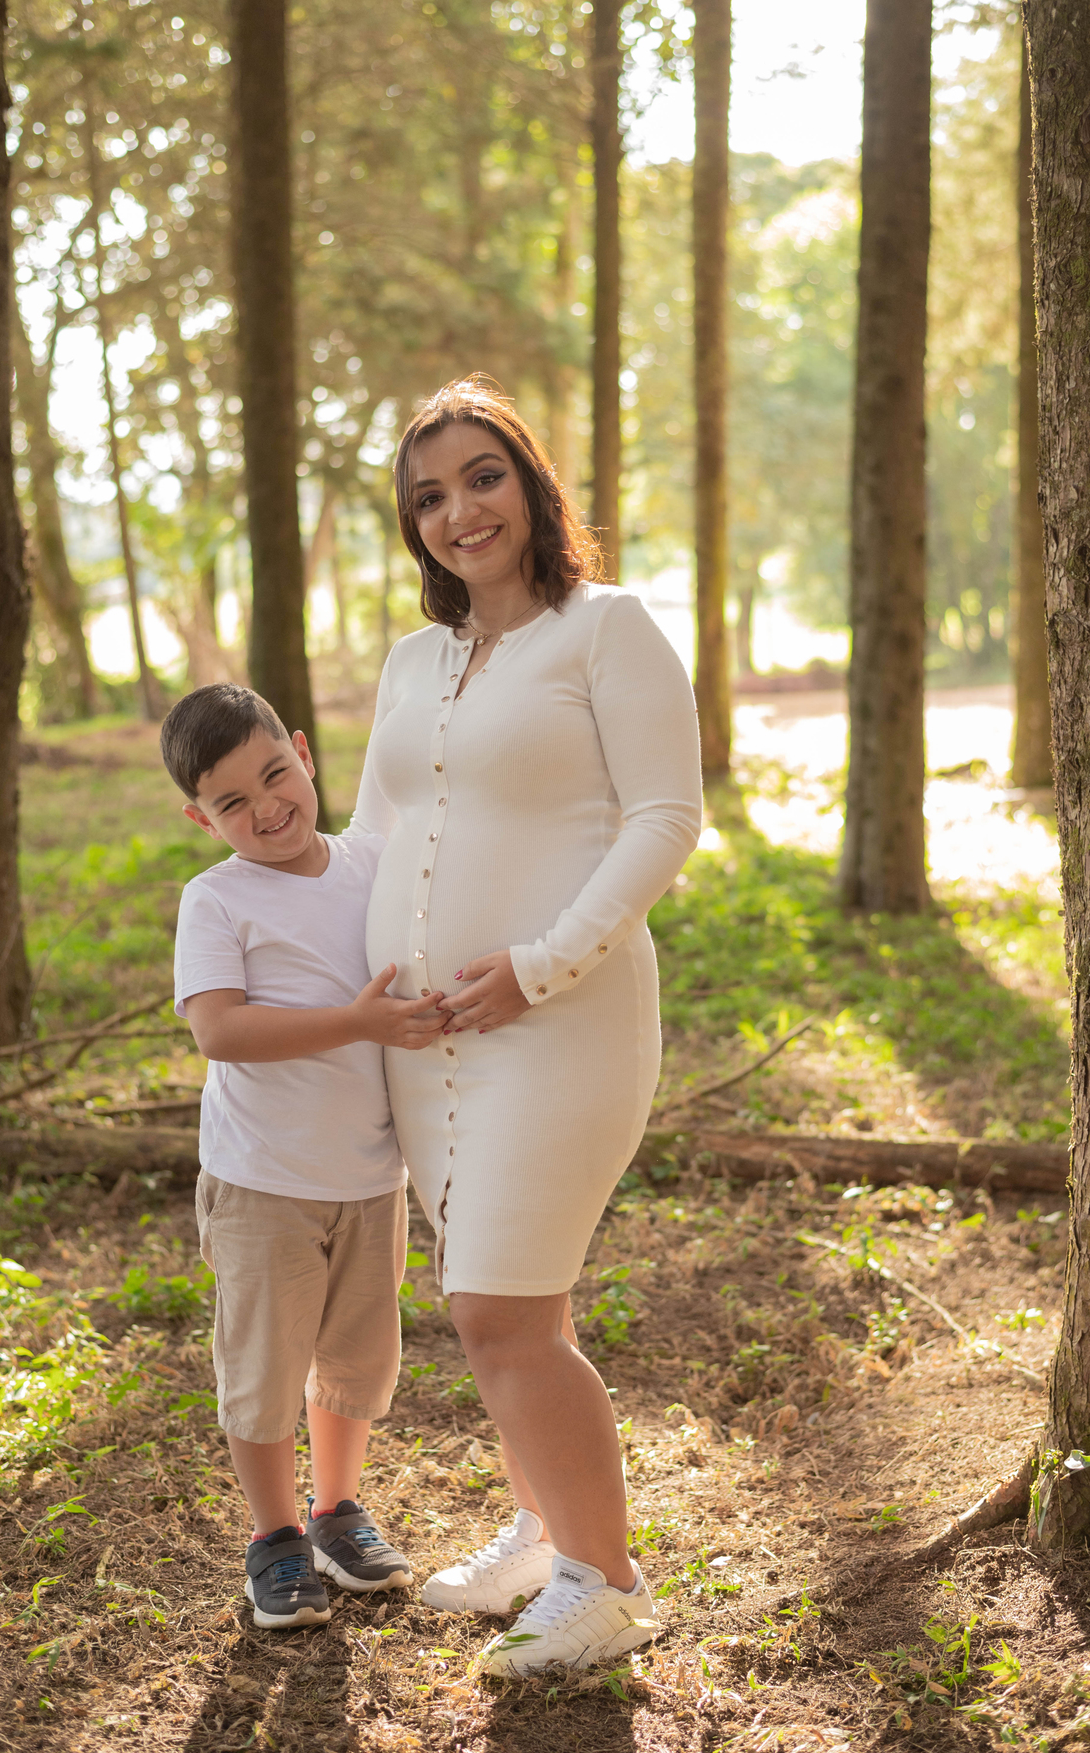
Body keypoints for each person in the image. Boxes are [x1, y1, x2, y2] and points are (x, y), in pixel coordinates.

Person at [348, 376, 703, 1676]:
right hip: (419, 1044)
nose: (459, 510)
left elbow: (667, 817)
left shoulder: (604, 628)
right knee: (497, 1304)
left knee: (502, 1309)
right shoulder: (414, 659)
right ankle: (548, 1534)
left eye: (481, 475)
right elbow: (379, 838)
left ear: (531, 480)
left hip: (562, 1025)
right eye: (429, 495)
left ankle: (607, 1582)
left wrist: (541, 966)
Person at [161, 684, 445, 1629]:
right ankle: (274, 1537)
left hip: (370, 1177)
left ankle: (335, 1510)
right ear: (201, 818)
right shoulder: (217, 899)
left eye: (274, 775)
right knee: (266, 1369)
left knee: (355, 1363)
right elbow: (221, 1031)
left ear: (304, 752)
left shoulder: (374, 864)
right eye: (233, 803)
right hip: (263, 1183)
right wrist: (357, 1023)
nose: (266, 807)